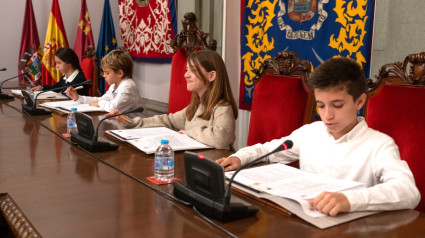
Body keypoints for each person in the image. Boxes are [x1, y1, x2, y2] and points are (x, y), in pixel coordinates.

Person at [217, 57, 420, 216]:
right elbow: (269, 150)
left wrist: (349, 200)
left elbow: (407, 192)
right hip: (304, 220)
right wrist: (240, 157)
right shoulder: (311, 132)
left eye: (337, 105)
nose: (327, 115)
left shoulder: (379, 145)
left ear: (359, 102)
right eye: (321, 105)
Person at [106, 50, 238, 150]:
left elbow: (221, 138)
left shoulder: (222, 107)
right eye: (187, 69)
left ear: (211, 75)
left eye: (193, 70)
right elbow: (167, 121)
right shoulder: (195, 107)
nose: (186, 74)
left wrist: (189, 133)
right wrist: (129, 122)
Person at [66, 47, 145, 116]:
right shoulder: (114, 86)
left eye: (107, 73)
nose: (104, 75)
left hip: (137, 128)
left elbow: (113, 107)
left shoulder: (128, 86)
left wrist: (99, 103)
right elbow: (99, 100)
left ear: (120, 73)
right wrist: (78, 98)